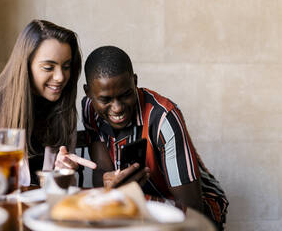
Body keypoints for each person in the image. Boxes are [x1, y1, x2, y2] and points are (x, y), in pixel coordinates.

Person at [81, 46, 228, 230]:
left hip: (196, 212)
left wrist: (129, 197)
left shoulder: (163, 118)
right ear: (88, 93)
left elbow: (191, 208)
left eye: (126, 94)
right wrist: (110, 186)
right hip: (138, 208)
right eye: (105, 100)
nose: (117, 108)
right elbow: (101, 171)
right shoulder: (89, 109)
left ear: (134, 82)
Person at [0, 19, 96, 187]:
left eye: (66, 66)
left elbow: (55, 190)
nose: (60, 77)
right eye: (48, 68)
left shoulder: (64, 111)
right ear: (25, 66)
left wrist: (62, 172)